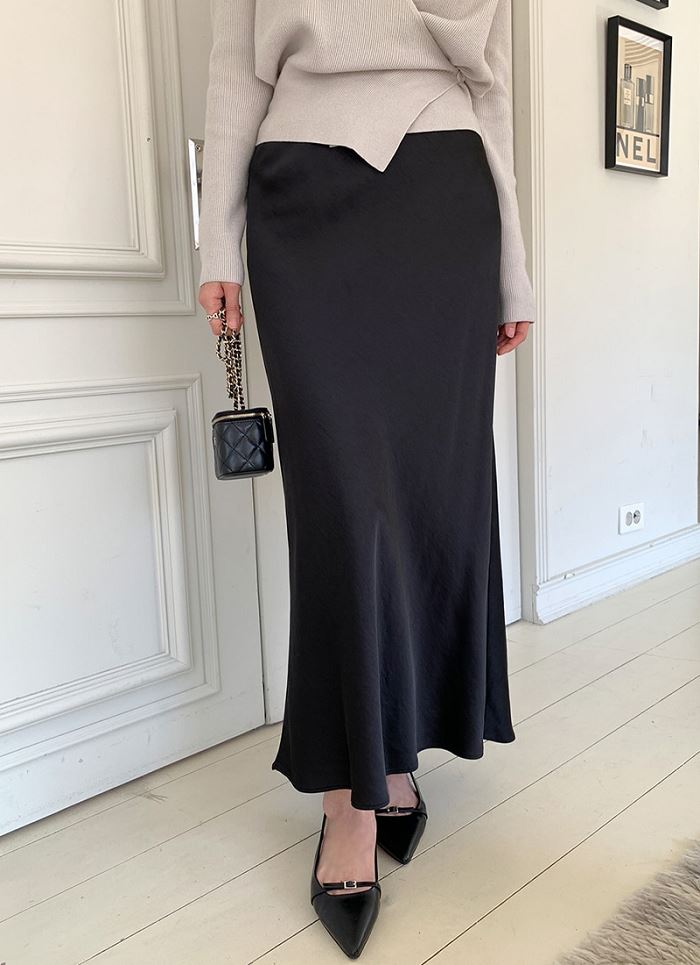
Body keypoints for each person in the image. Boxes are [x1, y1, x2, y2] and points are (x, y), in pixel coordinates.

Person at [198, 0, 535, 957]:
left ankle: (394, 749)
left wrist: (514, 265)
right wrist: (216, 241)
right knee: (341, 507)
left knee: (437, 493)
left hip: (445, 192)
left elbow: (491, 83)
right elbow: (233, 70)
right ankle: (350, 794)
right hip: (303, 194)